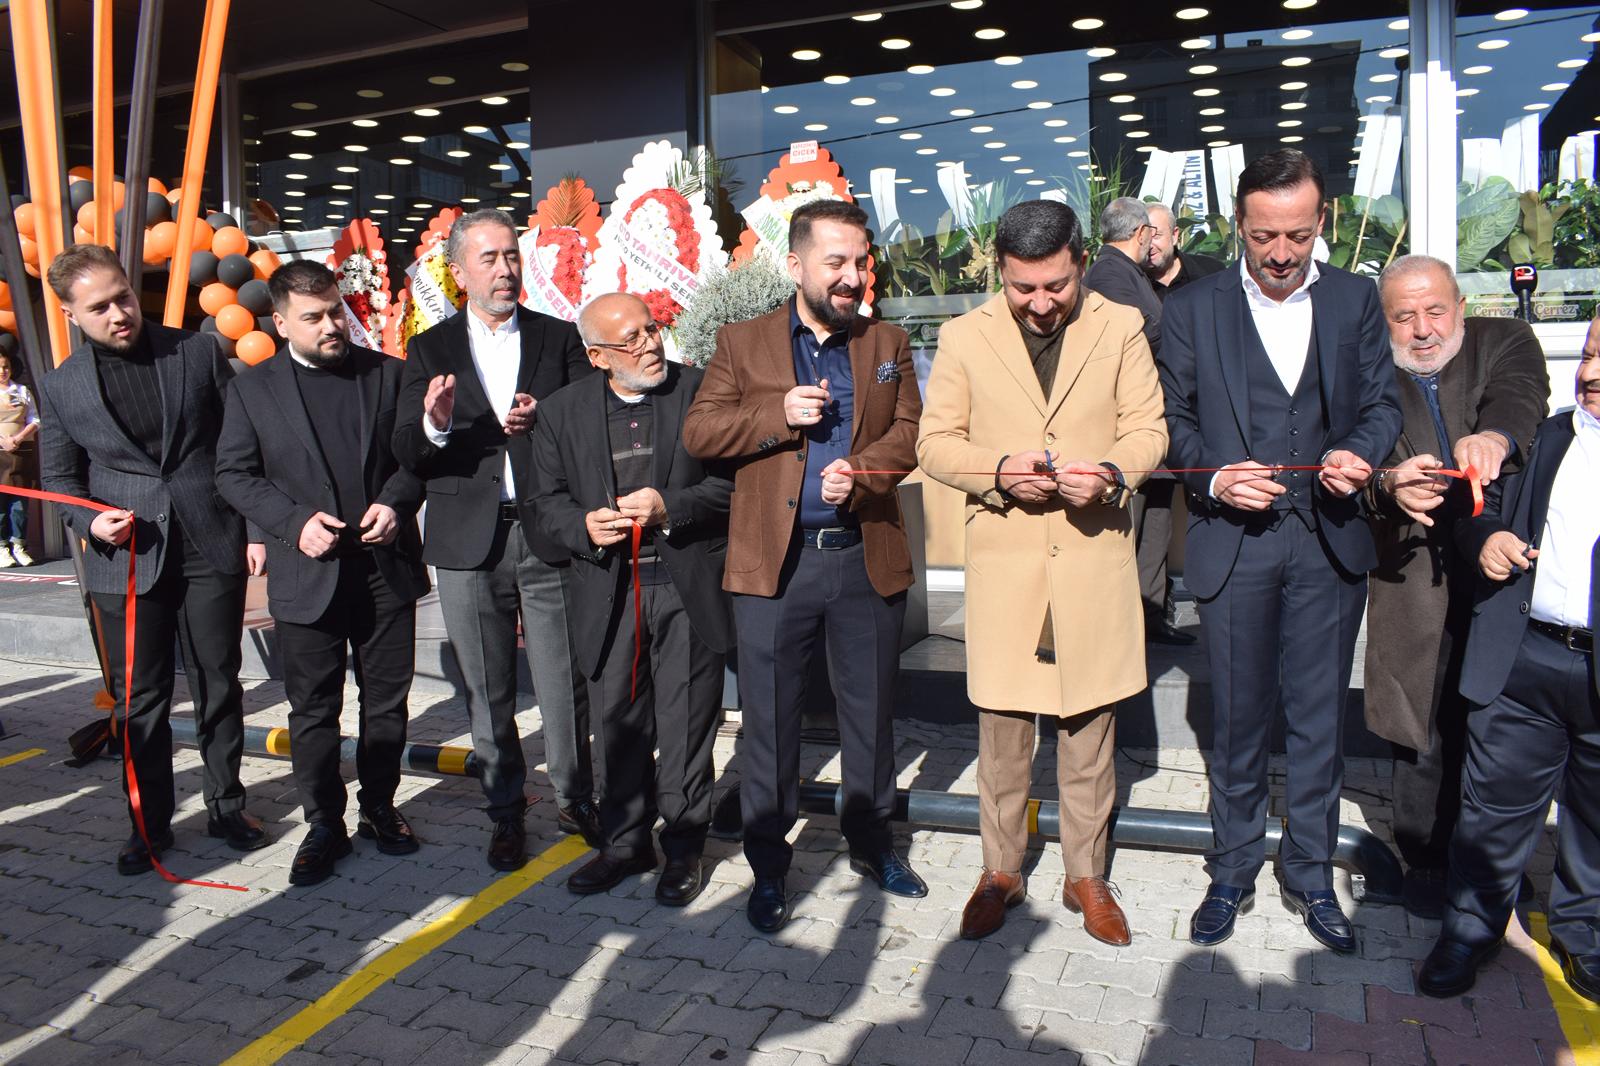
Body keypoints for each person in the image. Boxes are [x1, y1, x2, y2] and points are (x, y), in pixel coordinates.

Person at [1158, 150, 1403, 953]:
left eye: (1298, 234)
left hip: (1328, 541)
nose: (1281, 252)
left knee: (1318, 720)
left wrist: (1359, 451)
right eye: (1264, 235)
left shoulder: (1355, 299)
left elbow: (1381, 404)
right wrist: (1215, 477)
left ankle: (1310, 873)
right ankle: (1231, 869)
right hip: (1235, 545)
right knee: (1235, 720)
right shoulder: (1192, 309)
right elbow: (1171, 418)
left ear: (1322, 220)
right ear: (1239, 224)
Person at [918, 199, 1168, 944]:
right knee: (1002, 737)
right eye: (1021, 287)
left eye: (1055, 285)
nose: (1039, 302)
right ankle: (1001, 870)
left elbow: (1148, 429)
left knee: (1090, 728)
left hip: (1092, 557)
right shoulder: (964, 336)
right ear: (1000, 270)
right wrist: (998, 472)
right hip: (1007, 567)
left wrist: (1113, 474)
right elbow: (935, 443)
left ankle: (1087, 875)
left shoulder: (1121, 326)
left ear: (1081, 263)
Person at [682, 199, 925, 933]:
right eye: (836, 262)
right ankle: (768, 865)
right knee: (770, 722)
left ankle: (872, 844)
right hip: (774, 568)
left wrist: (866, 472)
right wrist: (776, 415)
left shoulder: (886, 340)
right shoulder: (743, 342)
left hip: (862, 559)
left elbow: (909, 431)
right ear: (795, 265)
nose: (852, 276)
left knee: (870, 716)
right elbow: (700, 432)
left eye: (861, 262)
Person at [39, 243, 266, 874]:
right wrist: (90, 521)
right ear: (70, 314)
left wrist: (253, 529)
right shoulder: (60, 387)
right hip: (128, 558)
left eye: (124, 297)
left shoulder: (195, 351)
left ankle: (226, 805)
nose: (119, 314)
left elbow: (239, 446)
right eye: (100, 307)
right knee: (141, 700)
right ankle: (148, 824)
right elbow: (59, 479)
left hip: (209, 540)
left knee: (219, 682)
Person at [393, 209, 598, 872]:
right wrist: (435, 422)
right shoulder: (428, 349)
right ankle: (505, 809)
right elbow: (406, 450)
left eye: (512, 255)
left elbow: (591, 425)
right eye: (490, 258)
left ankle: (575, 798)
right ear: (459, 273)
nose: (506, 269)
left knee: (563, 681)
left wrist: (547, 417)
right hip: (466, 542)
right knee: (487, 688)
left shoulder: (558, 337)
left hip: (546, 534)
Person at [215, 260, 430, 886]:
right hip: (306, 574)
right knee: (313, 710)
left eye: (335, 310)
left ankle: (379, 808)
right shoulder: (252, 390)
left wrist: (396, 503)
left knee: (386, 703)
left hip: (384, 569)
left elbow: (415, 458)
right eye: (313, 317)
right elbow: (233, 474)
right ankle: (324, 823)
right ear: (282, 324)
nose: (332, 325)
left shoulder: (387, 375)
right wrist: (291, 523)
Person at [1418, 316, 1600, 1004]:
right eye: (1588, 354)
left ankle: (1586, 936)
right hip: (1526, 659)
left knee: (1595, 818)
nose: (1589, 373)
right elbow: (1478, 507)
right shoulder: (1544, 438)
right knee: (1491, 808)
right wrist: (1486, 537)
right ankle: (1470, 929)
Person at [530, 292, 734, 905]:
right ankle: (624, 844)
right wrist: (583, 527)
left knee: (687, 721)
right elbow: (545, 503)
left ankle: (685, 846)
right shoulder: (560, 412)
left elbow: (736, 485)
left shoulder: (700, 391)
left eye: (652, 329)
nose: (650, 345)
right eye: (631, 339)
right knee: (616, 722)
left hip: (685, 586)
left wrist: (673, 506)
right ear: (597, 356)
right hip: (608, 588)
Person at [1362, 254, 1549, 918]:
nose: (1422, 330)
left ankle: (1492, 863)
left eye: (1435, 311)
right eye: (1403, 316)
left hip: (1503, 568)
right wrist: (1386, 484)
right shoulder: (1368, 369)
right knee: (1421, 723)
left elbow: (1520, 396)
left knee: (1501, 727)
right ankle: (1425, 857)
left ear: (1461, 308)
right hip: (1413, 570)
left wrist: (1495, 438)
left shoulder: (1504, 340)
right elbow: (1353, 455)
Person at [1083, 197, 1192, 646]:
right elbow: (1143, 335)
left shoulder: (1128, 273)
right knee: (1134, 523)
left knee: (1157, 520)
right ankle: (1128, 621)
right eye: (1152, 234)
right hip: (1128, 425)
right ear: (1142, 233)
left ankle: (1150, 614)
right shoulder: (1110, 273)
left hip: (1152, 419)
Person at [0, 351, 40, 567]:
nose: (2, 371)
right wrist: (3, 441)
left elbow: (35, 419)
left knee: (20, 504)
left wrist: (17, 438)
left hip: (21, 451)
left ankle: (19, 546)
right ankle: (1, 547)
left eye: (5, 366)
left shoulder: (22, 391)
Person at [1145, 203, 1225, 302]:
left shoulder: (1212, 272)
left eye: (1156, 236)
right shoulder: (1132, 281)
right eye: (1143, 238)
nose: (1149, 245)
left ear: (1174, 235)